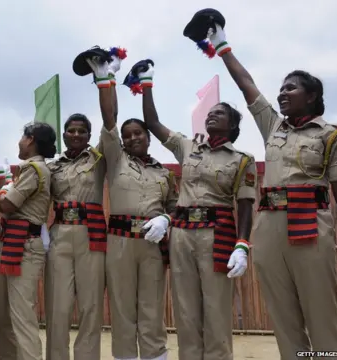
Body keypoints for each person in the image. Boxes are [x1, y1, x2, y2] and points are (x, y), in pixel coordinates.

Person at [208, 21, 337, 357]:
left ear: (312, 97)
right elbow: (247, 85)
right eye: (281, 88)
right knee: (282, 318)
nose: (282, 93)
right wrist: (223, 46)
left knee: (322, 316)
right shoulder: (273, 128)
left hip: (311, 226)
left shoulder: (331, 135)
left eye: (291, 88)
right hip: (268, 228)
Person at [129, 58, 256, 360]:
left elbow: (246, 203)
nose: (211, 116)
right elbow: (153, 124)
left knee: (215, 308)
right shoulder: (188, 147)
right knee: (185, 309)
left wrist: (242, 245)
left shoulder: (242, 159)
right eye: (210, 113)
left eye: (220, 114)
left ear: (233, 124)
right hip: (183, 234)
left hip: (217, 235)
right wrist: (147, 85)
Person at [86, 54, 178, 360]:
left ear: (148, 138)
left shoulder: (164, 173)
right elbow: (109, 121)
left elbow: (177, 207)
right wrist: (104, 82)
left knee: (151, 308)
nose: (132, 138)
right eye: (127, 136)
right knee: (123, 308)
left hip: (151, 244)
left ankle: (155, 356)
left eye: (138, 133)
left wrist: (166, 218)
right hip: (120, 242)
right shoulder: (116, 159)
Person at [0, 122, 55, 360]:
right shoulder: (29, 170)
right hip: (10, 241)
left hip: (24, 246)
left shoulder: (34, 169)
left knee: (21, 316)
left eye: (22, 137)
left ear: (30, 139)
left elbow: (6, 205)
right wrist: (3, 182)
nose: (19, 141)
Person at [44, 112, 107, 360]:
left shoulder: (99, 159)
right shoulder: (52, 168)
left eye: (82, 131)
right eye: (71, 130)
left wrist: (105, 84)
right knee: (57, 308)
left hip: (91, 235)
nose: (77, 135)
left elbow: (111, 128)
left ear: (90, 135)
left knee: (91, 307)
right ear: (64, 135)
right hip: (59, 234)